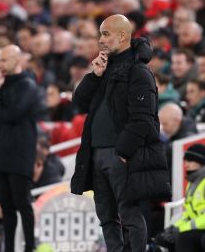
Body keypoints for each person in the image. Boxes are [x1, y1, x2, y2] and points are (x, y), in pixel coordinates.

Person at [71, 14, 170, 252]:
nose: (101, 39)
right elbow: (80, 103)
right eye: (100, 34)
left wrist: (123, 152)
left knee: (130, 214)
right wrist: (94, 76)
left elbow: (143, 118)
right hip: (96, 154)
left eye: (106, 34)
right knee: (106, 215)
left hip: (120, 155)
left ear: (123, 35)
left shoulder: (139, 71)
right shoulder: (103, 68)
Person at [0, 44, 40, 252]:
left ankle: (29, 248)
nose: (0, 64)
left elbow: (14, 113)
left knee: (23, 204)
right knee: (6, 206)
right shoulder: (1, 83)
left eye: (4, 60)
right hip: (0, 152)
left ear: (17, 60)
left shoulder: (28, 84)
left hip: (20, 152)